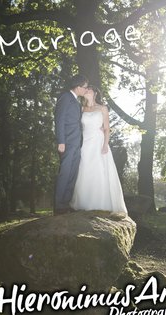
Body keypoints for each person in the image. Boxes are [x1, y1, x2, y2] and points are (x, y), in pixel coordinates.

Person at [69, 86, 127, 214]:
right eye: (86, 89)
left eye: (89, 89)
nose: (86, 91)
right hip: (85, 143)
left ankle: (101, 203)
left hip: (99, 142)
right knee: (85, 169)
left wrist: (105, 144)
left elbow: (106, 128)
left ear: (95, 93)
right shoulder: (81, 109)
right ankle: (84, 202)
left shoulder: (102, 108)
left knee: (100, 170)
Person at [53, 74, 89, 215]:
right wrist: (61, 141)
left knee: (73, 174)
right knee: (65, 173)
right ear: (78, 87)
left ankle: (65, 203)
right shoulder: (66, 97)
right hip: (66, 142)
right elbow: (59, 120)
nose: (86, 90)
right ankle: (58, 206)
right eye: (85, 87)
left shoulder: (76, 102)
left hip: (76, 143)